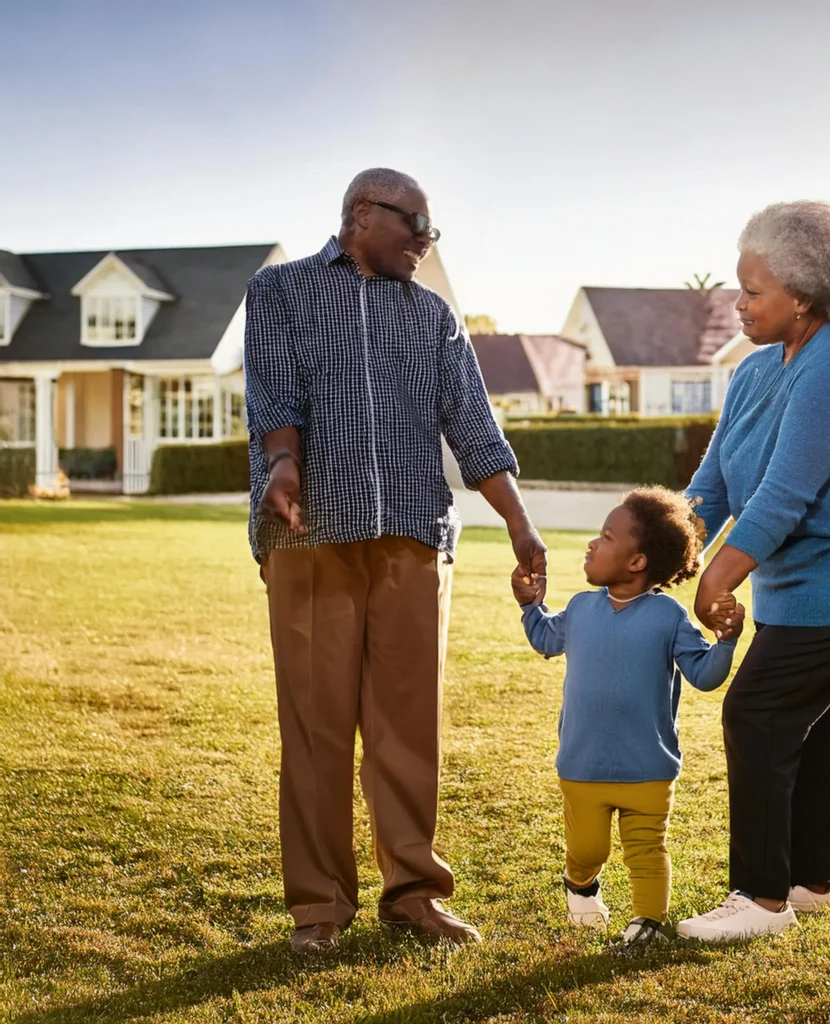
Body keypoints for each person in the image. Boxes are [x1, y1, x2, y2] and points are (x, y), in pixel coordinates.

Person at [244, 167, 547, 952]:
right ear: (359, 217)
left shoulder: (434, 317)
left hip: (414, 539)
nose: (425, 240)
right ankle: (319, 909)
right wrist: (283, 461)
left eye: (430, 229)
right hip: (312, 535)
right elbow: (274, 398)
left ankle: (413, 893)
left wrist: (518, 522)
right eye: (414, 223)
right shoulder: (280, 292)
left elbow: (474, 428)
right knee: (316, 728)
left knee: (408, 728)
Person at [674, 201, 830, 943]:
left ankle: (759, 899)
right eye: (739, 287)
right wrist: (658, 547)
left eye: (753, 292)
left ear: (806, 295)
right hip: (797, 582)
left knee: (756, 712)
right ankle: (808, 880)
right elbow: (713, 484)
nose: (738, 304)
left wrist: (716, 578)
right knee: (811, 720)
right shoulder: (756, 371)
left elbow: (785, 495)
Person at [512, 487, 741, 954]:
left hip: (648, 768)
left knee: (647, 853)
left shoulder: (668, 617)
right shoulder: (579, 608)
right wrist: (530, 605)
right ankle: (580, 884)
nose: (592, 545)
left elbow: (703, 675)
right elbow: (543, 639)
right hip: (583, 765)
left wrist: (725, 642)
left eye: (605, 536)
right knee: (589, 851)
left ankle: (648, 924)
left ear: (636, 562)